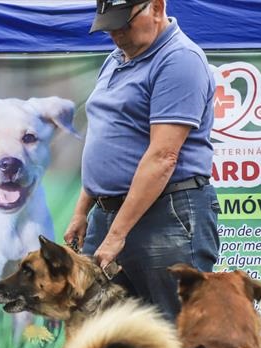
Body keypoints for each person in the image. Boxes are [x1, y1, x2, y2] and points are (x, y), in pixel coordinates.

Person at [63, 0, 219, 321]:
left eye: (124, 23)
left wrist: (116, 235)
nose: (115, 34)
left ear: (157, 8)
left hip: (167, 214)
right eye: (109, 26)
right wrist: (82, 211)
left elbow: (163, 157)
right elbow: (107, 139)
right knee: (106, 330)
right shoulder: (116, 59)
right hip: (108, 214)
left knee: (176, 331)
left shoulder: (180, 60)